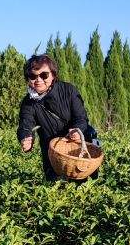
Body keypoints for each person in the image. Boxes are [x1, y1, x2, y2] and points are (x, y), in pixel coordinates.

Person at [17, 53, 96, 182]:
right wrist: (26, 138)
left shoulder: (68, 90)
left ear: (53, 75)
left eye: (44, 75)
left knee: (83, 187)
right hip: (52, 154)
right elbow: (25, 124)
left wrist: (77, 129)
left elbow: (81, 118)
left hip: (78, 150)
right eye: (33, 76)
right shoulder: (29, 102)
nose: (38, 80)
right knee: (56, 189)